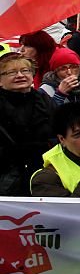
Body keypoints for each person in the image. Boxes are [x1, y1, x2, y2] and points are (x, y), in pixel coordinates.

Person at [0, 52, 56, 195]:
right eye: (12, 72)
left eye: (25, 70)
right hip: (6, 177)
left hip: (43, 173)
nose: (20, 75)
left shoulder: (44, 101)